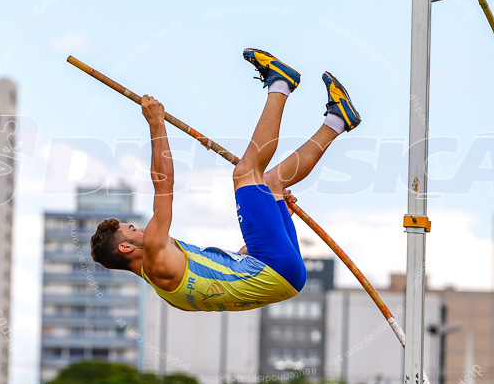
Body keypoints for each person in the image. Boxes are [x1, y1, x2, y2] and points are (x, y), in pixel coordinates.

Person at [91, 48, 361, 312]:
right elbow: (164, 184)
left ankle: (337, 119)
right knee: (245, 173)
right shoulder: (155, 253)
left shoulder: (167, 290)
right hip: (273, 266)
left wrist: (279, 219)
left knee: (271, 183)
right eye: (132, 230)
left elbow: (238, 265)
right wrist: (156, 123)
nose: (141, 230)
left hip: (287, 279)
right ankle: (281, 82)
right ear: (126, 247)